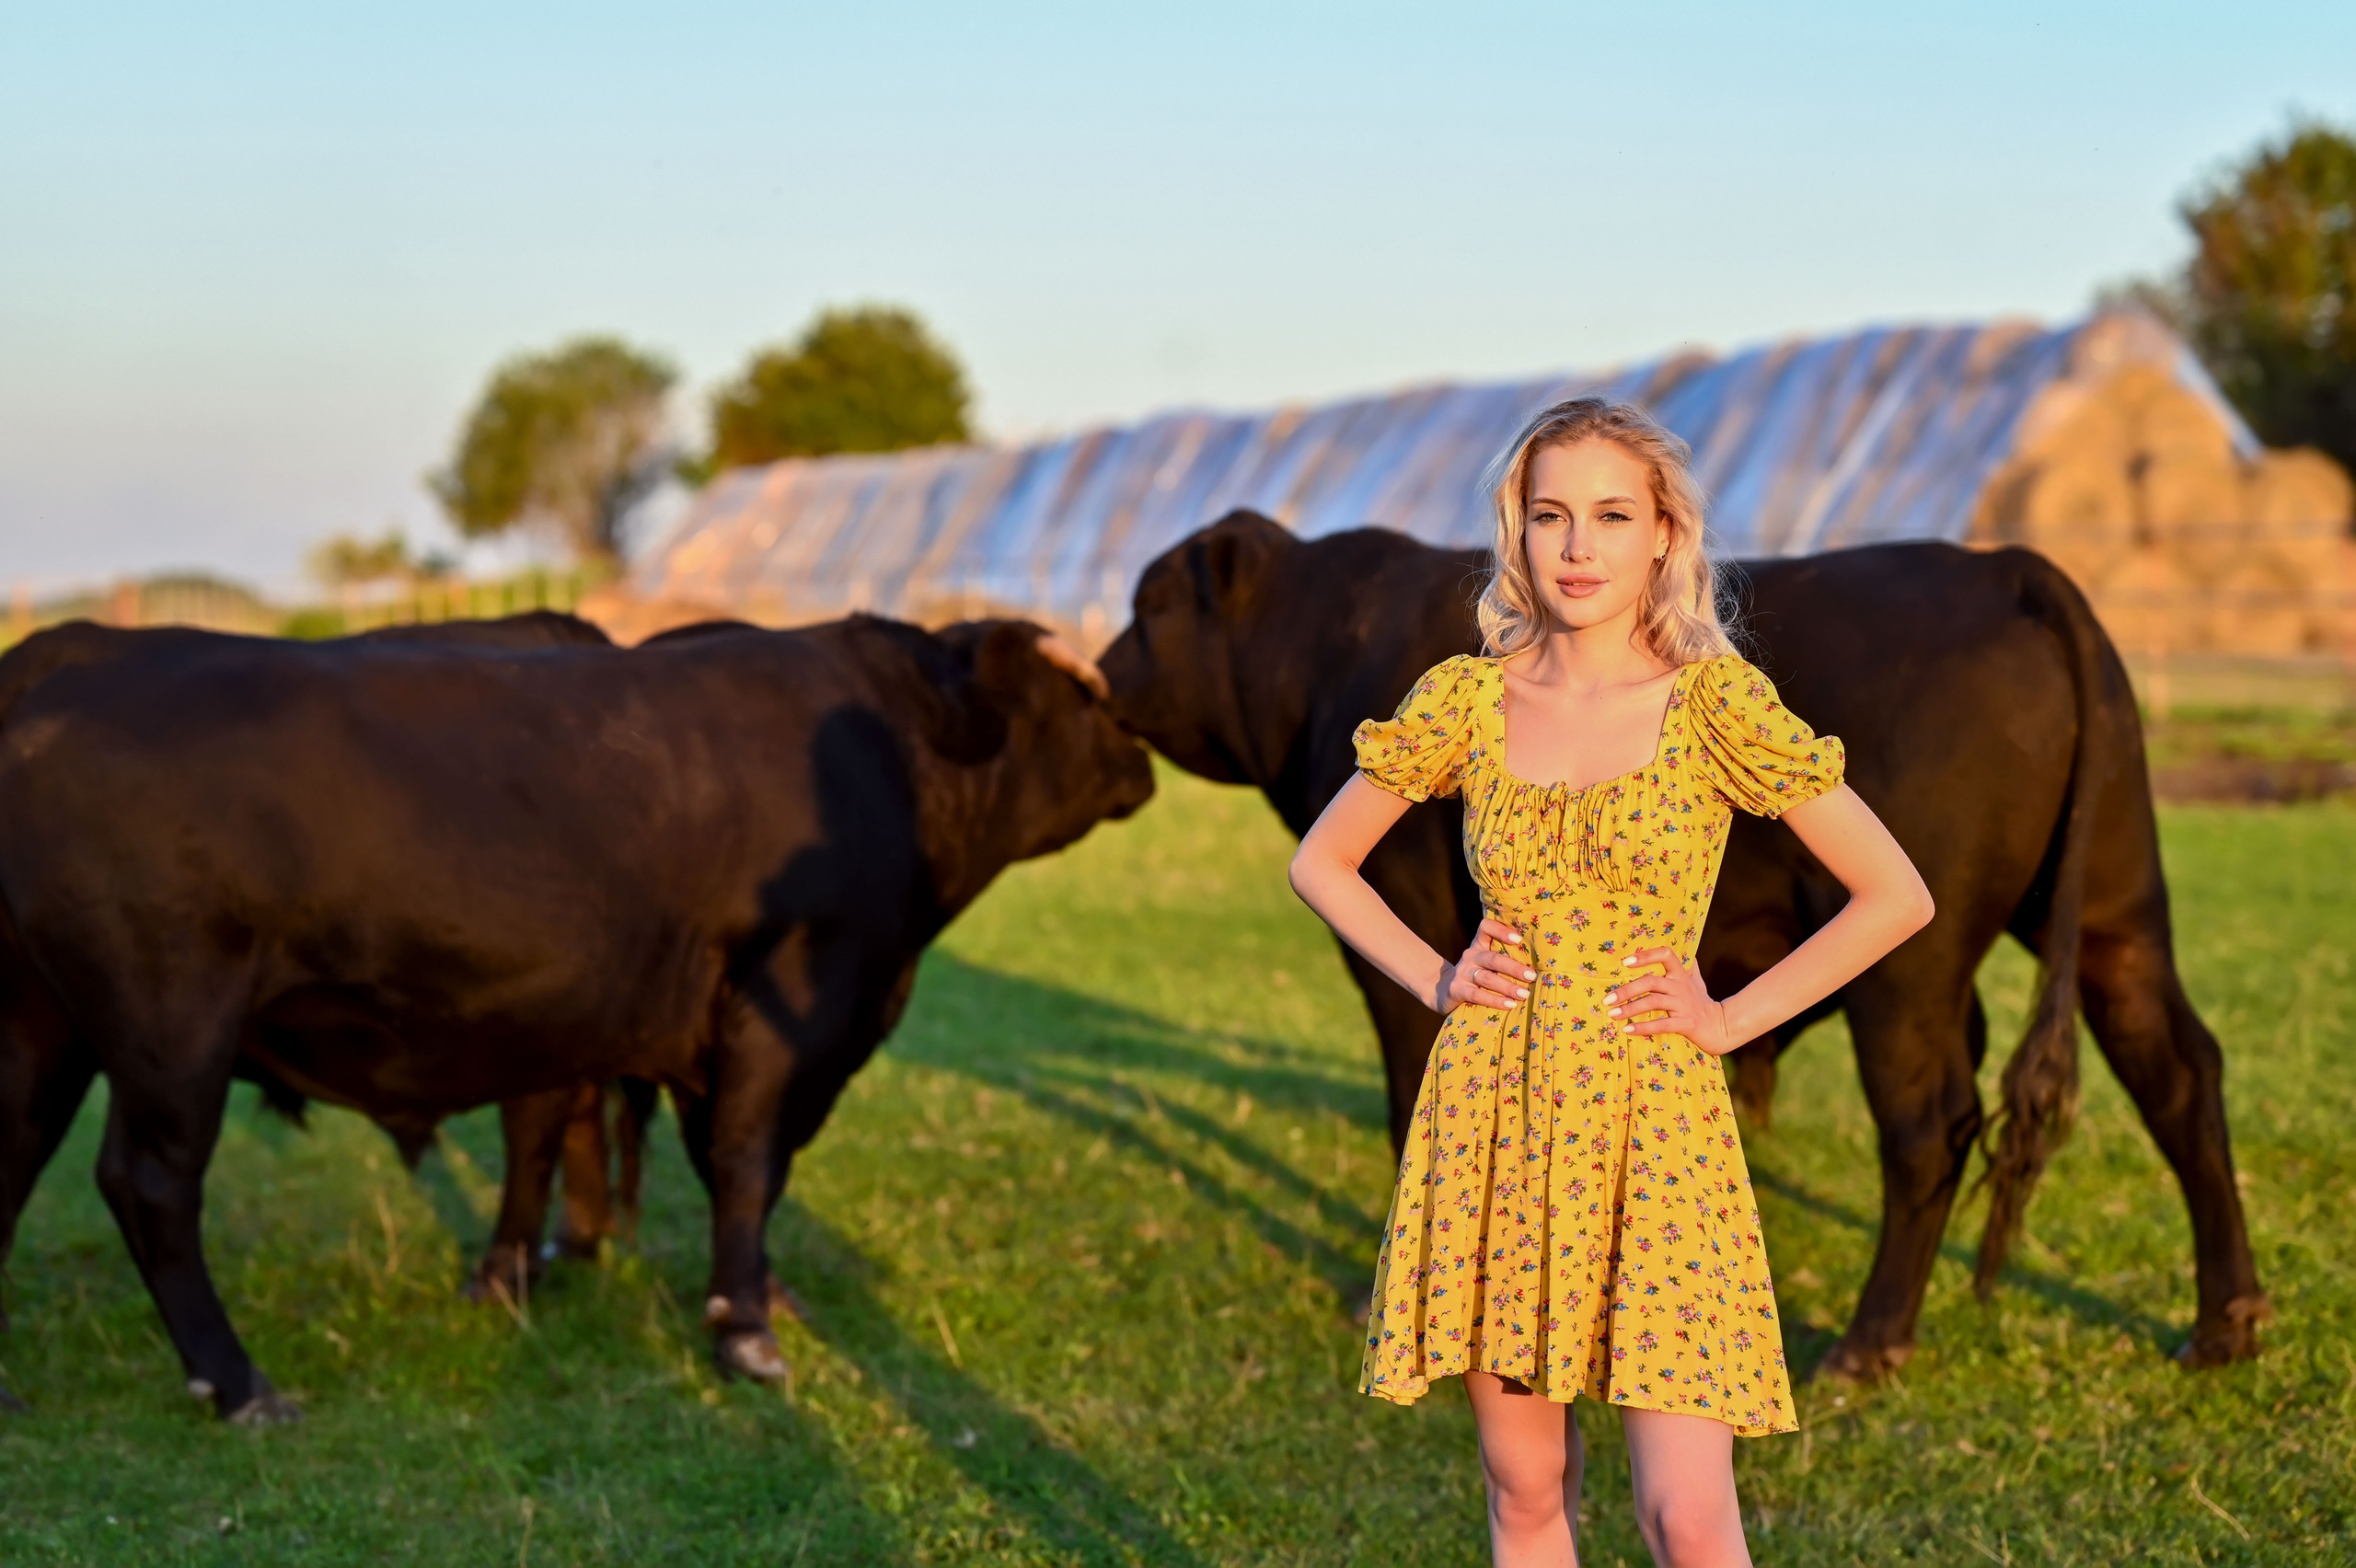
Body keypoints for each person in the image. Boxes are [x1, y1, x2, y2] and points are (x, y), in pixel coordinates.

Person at [1288, 398, 1934, 1568]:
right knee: (1524, 1483)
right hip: (1495, 1110)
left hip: (1656, 1117)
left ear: (1662, 537)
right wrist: (1437, 978)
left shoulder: (1712, 703)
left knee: (1685, 1516)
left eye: (1609, 515)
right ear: (1517, 534)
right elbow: (1320, 861)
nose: (1577, 547)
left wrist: (1730, 1017)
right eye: (1550, 516)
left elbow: (1895, 894)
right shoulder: (1467, 700)